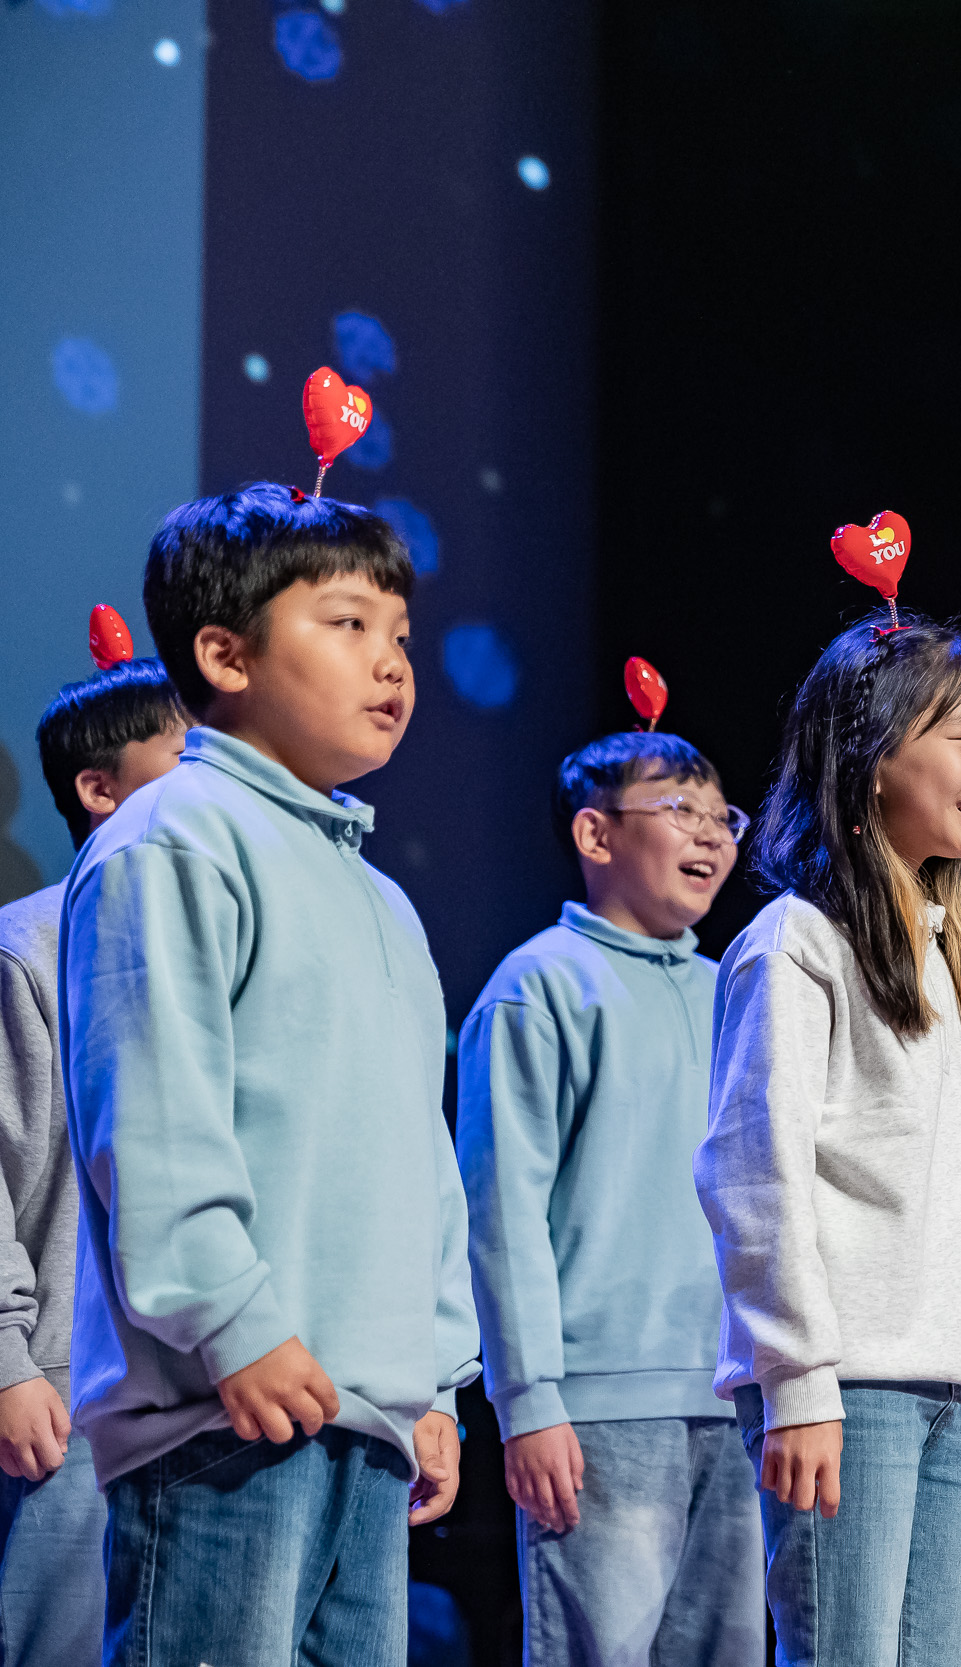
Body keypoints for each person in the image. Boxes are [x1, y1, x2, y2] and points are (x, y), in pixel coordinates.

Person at [60, 485, 478, 1661]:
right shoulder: (171, 838)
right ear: (223, 651)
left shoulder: (381, 894)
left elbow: (417, 1152)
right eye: (347, 625)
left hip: (368, 1408)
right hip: (228, 1406)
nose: (391, 663)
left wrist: (436, 1379)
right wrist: (234, 1325)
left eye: (398, 635)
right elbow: (150, 1116)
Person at [697, 617, 961, 1666]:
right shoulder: (796, 940)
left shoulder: (950, 954)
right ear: (872, 751)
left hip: (948, 1381)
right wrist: (796, 1378)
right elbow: (757, 1169)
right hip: (849, 1383)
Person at [457, 730, 761, 1665]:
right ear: (596, 835)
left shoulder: (733, 992)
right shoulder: (539, 984)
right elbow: (500, 1208)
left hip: (732, 1394)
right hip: (598, 1405)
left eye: (723, 817)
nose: (710, 835)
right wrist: (531, 1402)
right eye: (680, 811)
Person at [0, 655, 188, 1666]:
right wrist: (8, 1359)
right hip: (68, 1377)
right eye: (184, 754)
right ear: (98, 785)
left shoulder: (220, 939)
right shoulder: (25, 946)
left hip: (213, 1375)